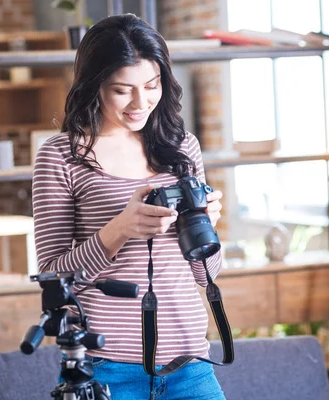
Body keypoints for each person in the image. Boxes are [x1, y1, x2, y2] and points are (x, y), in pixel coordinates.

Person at [32, 13, 226, 400]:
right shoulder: (61, 156)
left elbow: (206, 278)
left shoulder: (181, 146)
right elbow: (53, 280)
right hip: (106, 367)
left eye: (151, 85)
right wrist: (119, 229)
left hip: (190, 362)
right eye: (122, 90)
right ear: (94, 86)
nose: (141, 103)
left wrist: (206, 229)